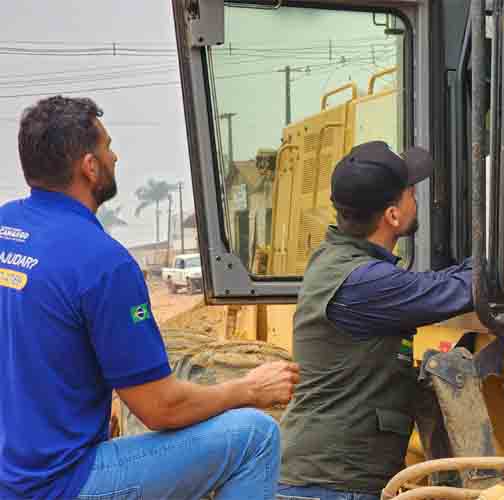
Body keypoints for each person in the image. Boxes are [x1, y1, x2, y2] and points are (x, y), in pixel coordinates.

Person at [0, 95, 300, 500]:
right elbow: (161, 409)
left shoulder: (7, 225)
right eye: (107, 146)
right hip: (58, 484)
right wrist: (250, 388)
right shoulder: (103, 262)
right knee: (256, 436)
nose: (116, 156)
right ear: (89, 167)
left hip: (12, 471)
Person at [277, 141, 504, 500]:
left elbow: (450, 279)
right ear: (393, 215)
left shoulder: (344, 264)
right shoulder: (362, 282)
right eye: (411, 193)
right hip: (330, 486)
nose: (418, 200)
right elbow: (452, 288)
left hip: (332, 478)